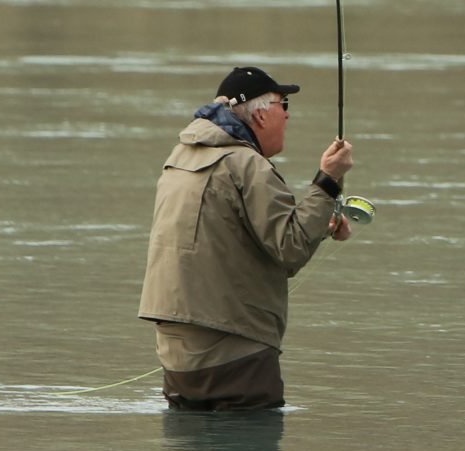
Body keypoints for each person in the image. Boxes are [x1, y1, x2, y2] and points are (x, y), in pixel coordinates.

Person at [138, 65, 357, 411]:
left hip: (178, 356)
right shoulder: (246, 165)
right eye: (283, 105)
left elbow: (232, 239)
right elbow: (290, 249)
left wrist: (321, 226)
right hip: (235, 355)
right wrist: (328, 181)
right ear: (260, 114)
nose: (288, 116)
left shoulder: (180, 158)